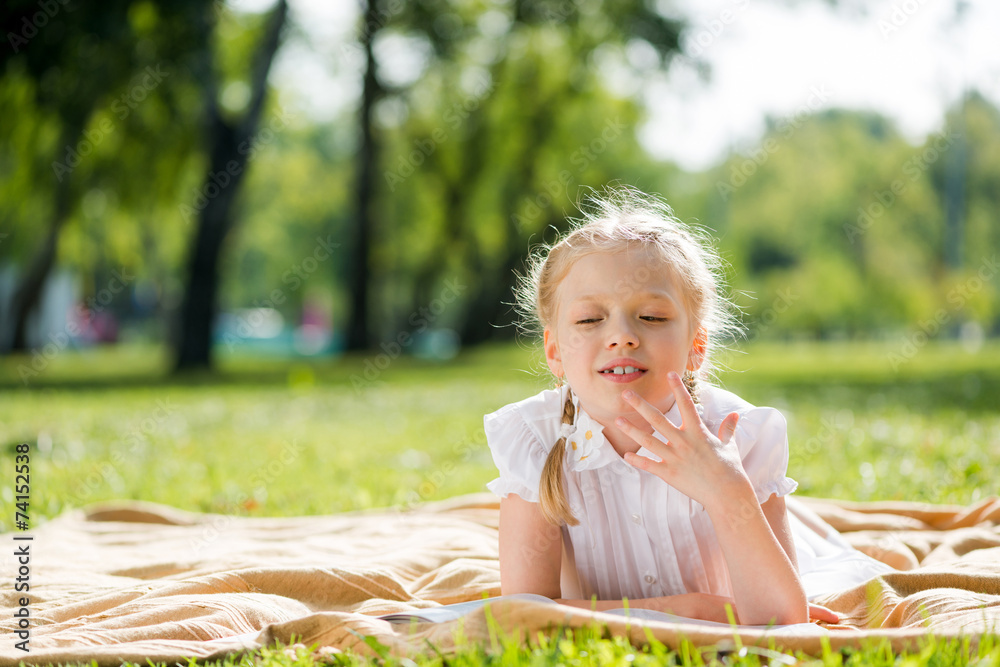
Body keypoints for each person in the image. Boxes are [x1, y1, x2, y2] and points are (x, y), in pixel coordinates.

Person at [484, 186, 891, 626]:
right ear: (555, 352)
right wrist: (682, 611)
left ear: (696, 345)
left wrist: (725, 488)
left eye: (653, 317)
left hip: (780, 551)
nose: (622, 335)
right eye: (589, 319)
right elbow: (522, 615)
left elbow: (783, 620)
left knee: (816, 547)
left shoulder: (739, 435)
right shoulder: (535, 440)